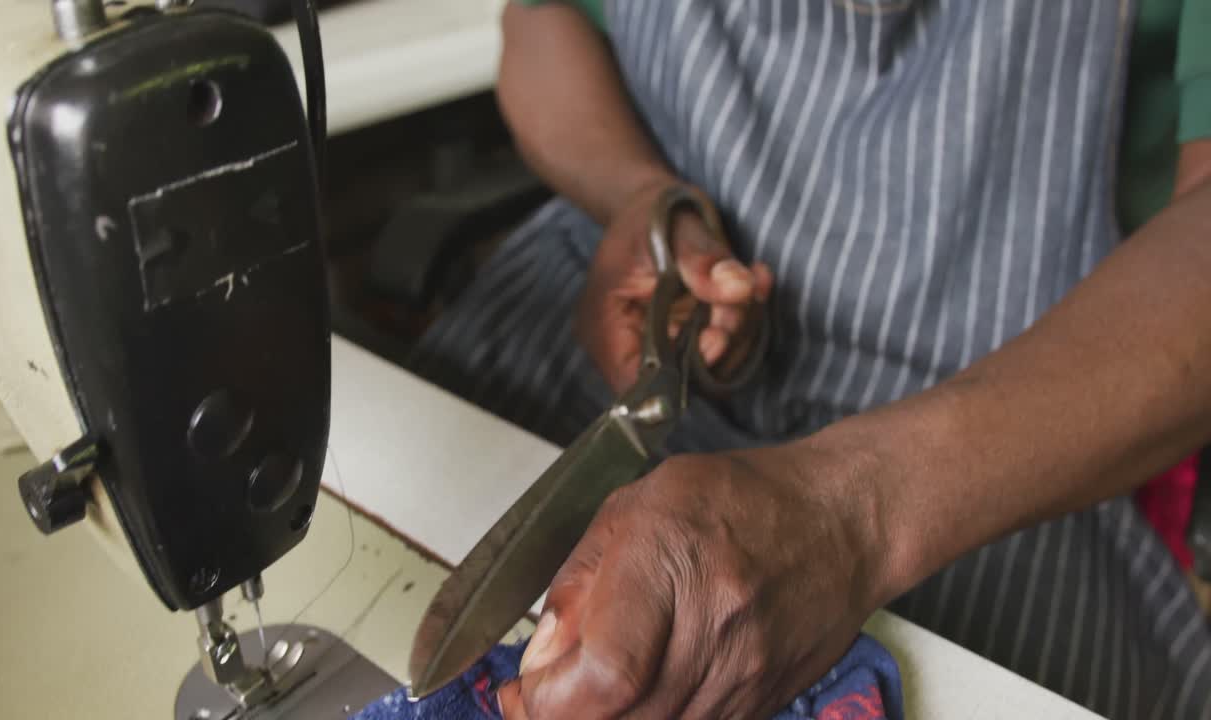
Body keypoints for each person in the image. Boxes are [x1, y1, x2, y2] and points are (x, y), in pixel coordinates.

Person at [409, 1, 1211, 717]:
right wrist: (634, 194)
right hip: (626, 303)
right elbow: (544, 21)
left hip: (993, 437)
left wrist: (857, 516)